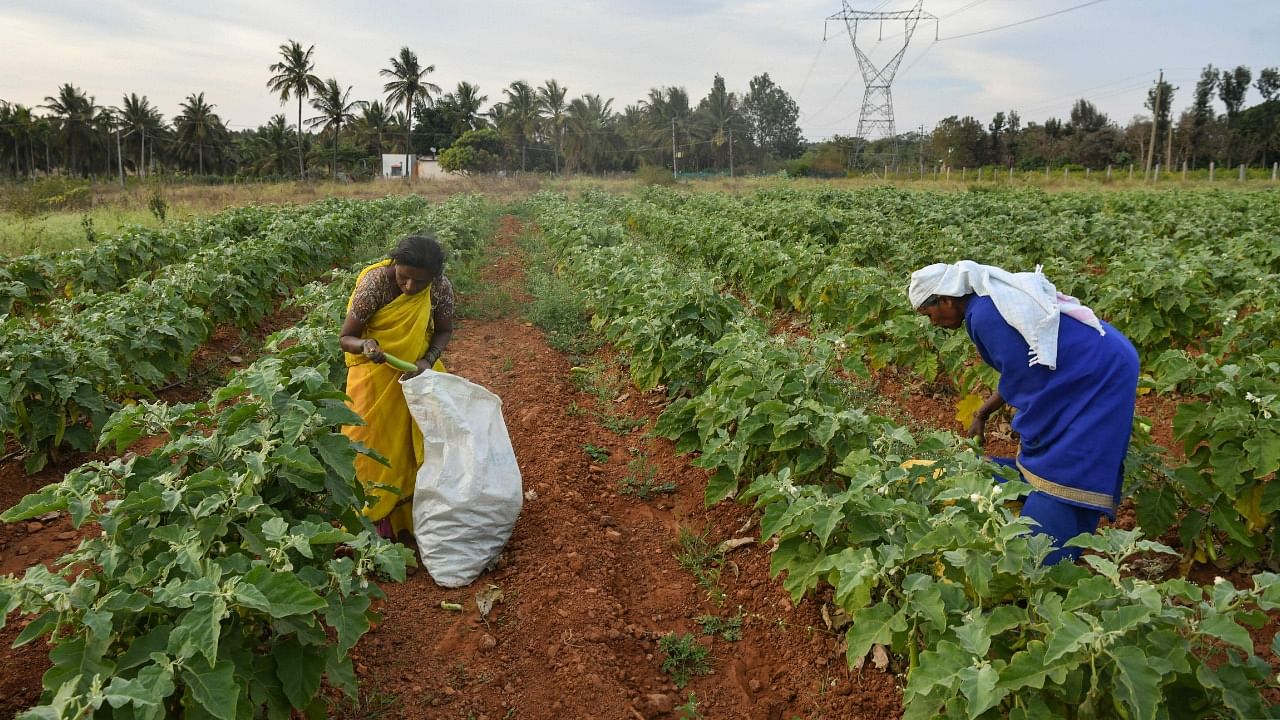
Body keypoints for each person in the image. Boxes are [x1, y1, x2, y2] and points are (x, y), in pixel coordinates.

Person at [908, 260, 1139, 565]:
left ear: (947, 300)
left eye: (930, 314)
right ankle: (1054, 506)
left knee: (1070, 452)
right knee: (1063, 449)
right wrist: (982, 413)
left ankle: (1054, 532)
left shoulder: (982, 316)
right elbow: (1021, 369)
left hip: (1098, 374)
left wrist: (1032, 438)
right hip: (1104, 362)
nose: (933, 323)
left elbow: (1032, 386)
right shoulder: (985, 306)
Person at [339, 234, 454, 540]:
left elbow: (444, 330)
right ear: (395, 266)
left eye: (420, 283)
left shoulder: (440, 287)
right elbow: (345, 338)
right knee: (367, 450)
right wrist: (365, 344)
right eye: (404, 278)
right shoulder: (375, 284)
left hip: (417, 378)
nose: (410, 288)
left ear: (434, 277)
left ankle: (412, 526)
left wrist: (428, 359)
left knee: (416, 448)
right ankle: (369, 530)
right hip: (373, 379)